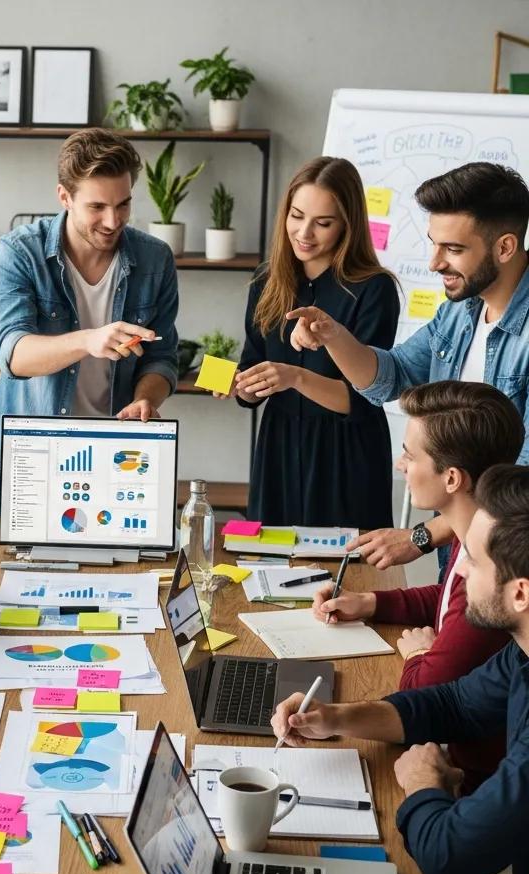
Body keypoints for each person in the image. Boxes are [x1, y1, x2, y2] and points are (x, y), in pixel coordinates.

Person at [271, 464, 529, 874]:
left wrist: (423, 784)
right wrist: (336, 716)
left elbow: (448, 856)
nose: (460, 580)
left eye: (475, 565)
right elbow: (452, 704)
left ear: (519, 592)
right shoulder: (523, 653)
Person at [286, 162, 529, 567]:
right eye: (434, 244)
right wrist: (332, 334)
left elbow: (521, 481)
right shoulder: (461, 311)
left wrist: (421, 536)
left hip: (512, 560)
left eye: (453, 249)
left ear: (504, 247)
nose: (434, 263)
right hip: (460, 555)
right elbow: (391, 378)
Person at [312, 380, 523, 789]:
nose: (400, 465)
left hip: (469, 781)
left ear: (452, 479)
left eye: (410, 455)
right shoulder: (476, 538)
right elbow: (445, 600)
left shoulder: (492, 566)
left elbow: (427, 688)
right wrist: (371, 601)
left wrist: (417, 656)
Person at [0, 127, 179, 500]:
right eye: (97, 207)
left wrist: (146, 398)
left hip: (115, 456)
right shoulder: (20, 252)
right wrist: (90, 339)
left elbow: (161, 358)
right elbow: (14, 354)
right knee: (18, 560)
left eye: (123, 205)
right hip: (30, 458)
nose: (113, 221)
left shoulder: (155, 259)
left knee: (122, 560)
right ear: (64, 197)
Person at [226, 156, 400, 527]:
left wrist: (294, 377)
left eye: (322, 223)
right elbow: (252, 364)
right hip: (280, 447)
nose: (304, 232)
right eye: (296, 215)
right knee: (271, 567)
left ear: (347, 226)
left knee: (349, 574)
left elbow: (364, 398)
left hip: (347, 454)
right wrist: (243, 387)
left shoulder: (374, 289)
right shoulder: (266, 281)